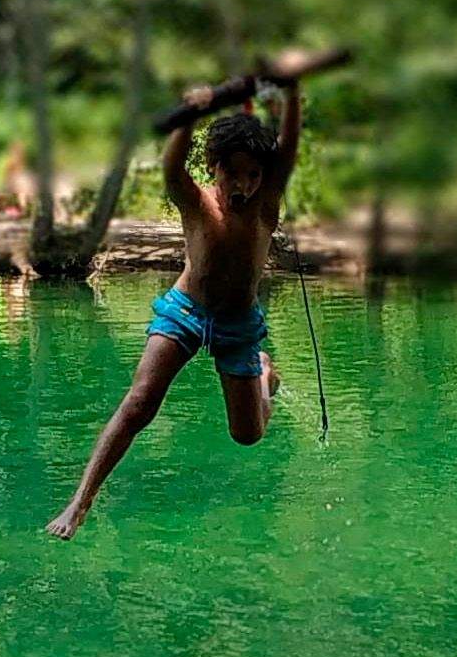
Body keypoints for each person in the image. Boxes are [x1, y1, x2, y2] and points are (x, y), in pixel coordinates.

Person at [45, 52, 323, 541]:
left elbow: (289, 151)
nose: (243, 184)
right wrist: (191, 112)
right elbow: (172, 165)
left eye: (253, 174)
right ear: (213, 167)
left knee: (248, 436)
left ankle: (263, 373)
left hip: (238, 324)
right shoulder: (196, 202)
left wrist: (293, 93)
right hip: (185, 312)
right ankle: (79, 501)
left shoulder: (265, 207)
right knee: (139, 403)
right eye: (233, 173)